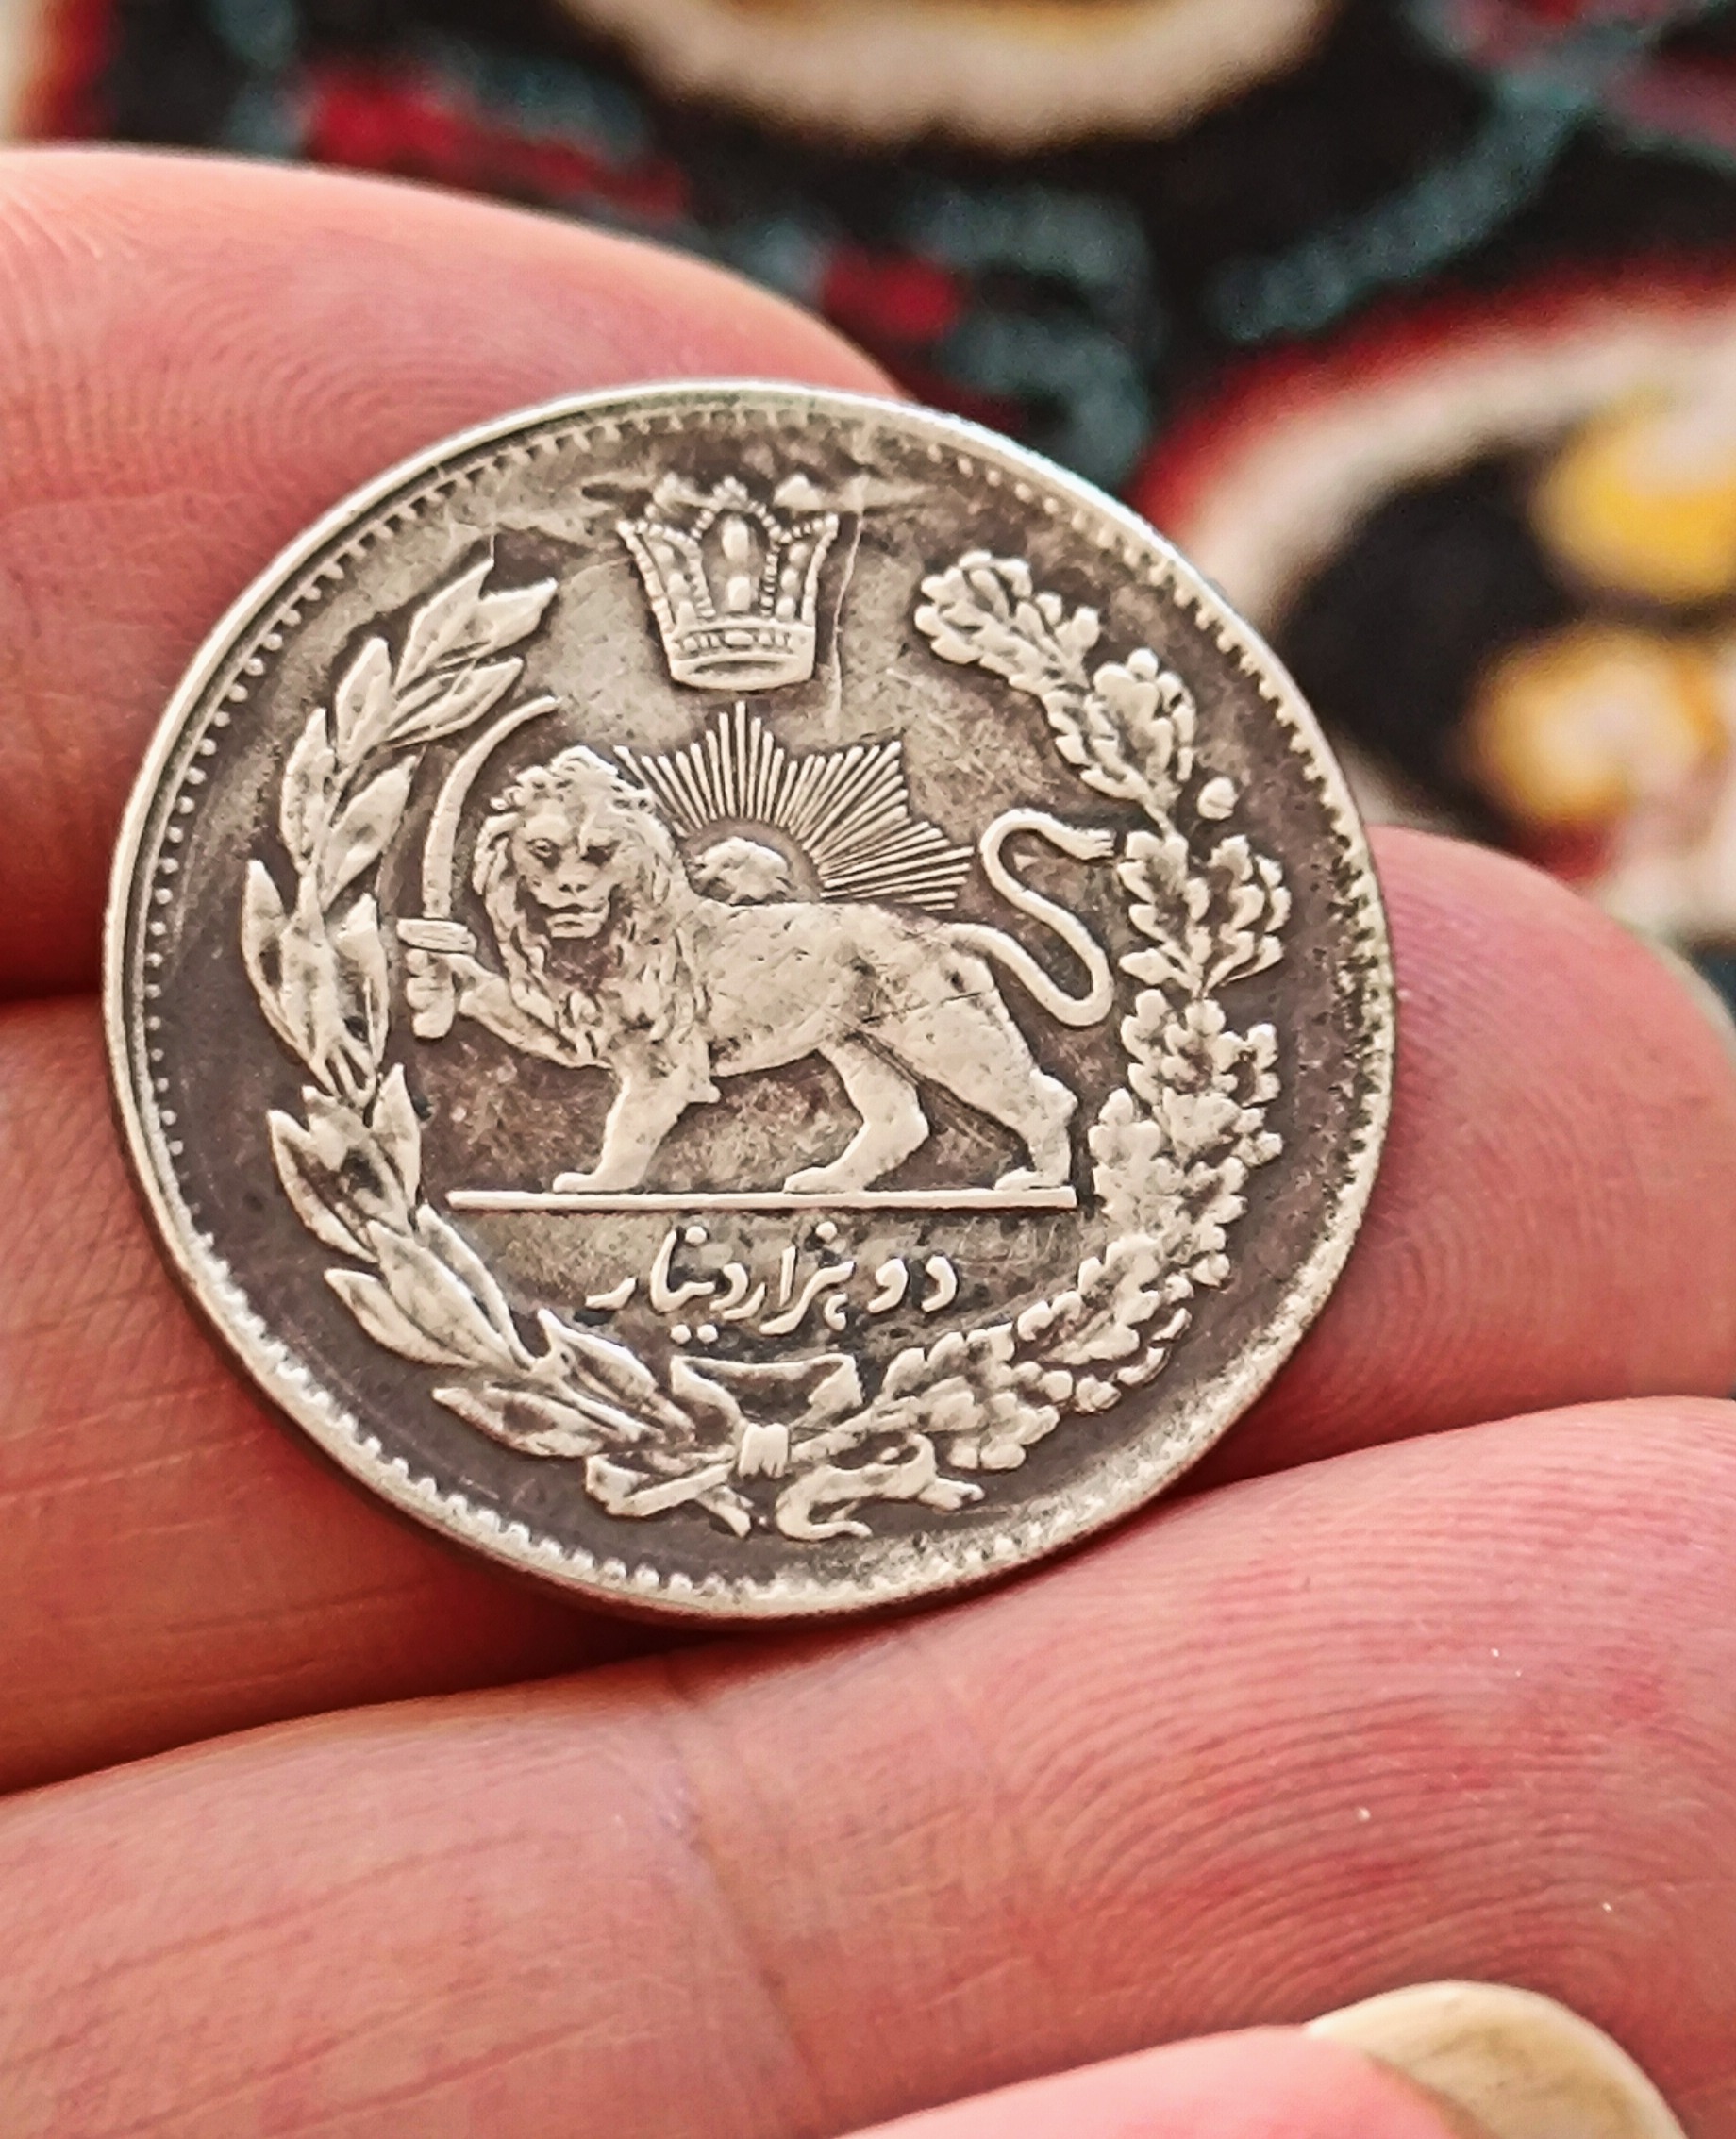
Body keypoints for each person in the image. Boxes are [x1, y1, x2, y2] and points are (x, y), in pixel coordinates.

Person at [0, 149, 1732, 2138]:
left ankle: (999, 1138)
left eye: (583, 851)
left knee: (989, 1091)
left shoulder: (768, 944)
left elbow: (666, 1074)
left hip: (861, 996)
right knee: (901, 1103)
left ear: (633, 856)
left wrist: (646, 1161)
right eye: (539, 853)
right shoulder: (588, 940)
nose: (560, 871)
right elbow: (607, 1043)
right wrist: (469, 995)